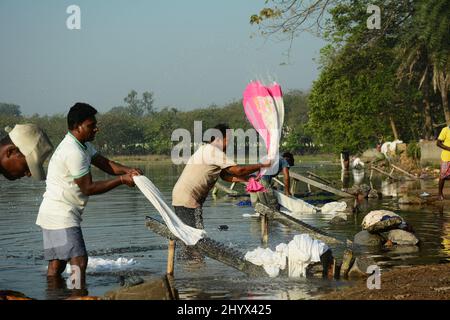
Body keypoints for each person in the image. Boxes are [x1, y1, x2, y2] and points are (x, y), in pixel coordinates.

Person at [35, 102, 143, 291]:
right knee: (79, 261)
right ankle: (78, 294)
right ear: (77, 126)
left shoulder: (82, 145)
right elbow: (88, 188)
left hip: (51, 213)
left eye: (95, 124)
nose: (96, 128)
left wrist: (128, 170)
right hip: (62, 214)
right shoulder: (73, 151)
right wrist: (122, 180)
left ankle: (54, 294)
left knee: (57, 265)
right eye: (91, 125)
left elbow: (105, 164)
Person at [172, 123, 271, 230]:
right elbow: (239, 170)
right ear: (219, 139)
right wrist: (261, 165)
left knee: (189, 232)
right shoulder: (213, 151)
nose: (229, 143)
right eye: (228, 140)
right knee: (196, 235)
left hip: (182, 196)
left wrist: (247, 179)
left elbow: (225, 176)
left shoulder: (206, 149)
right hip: (188, 198)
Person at [437, 124, 450, 200]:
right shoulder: (445, 130)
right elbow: (438, 143)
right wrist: (449, 148)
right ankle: (440, 193)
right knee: (443, 176)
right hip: (446, 157)